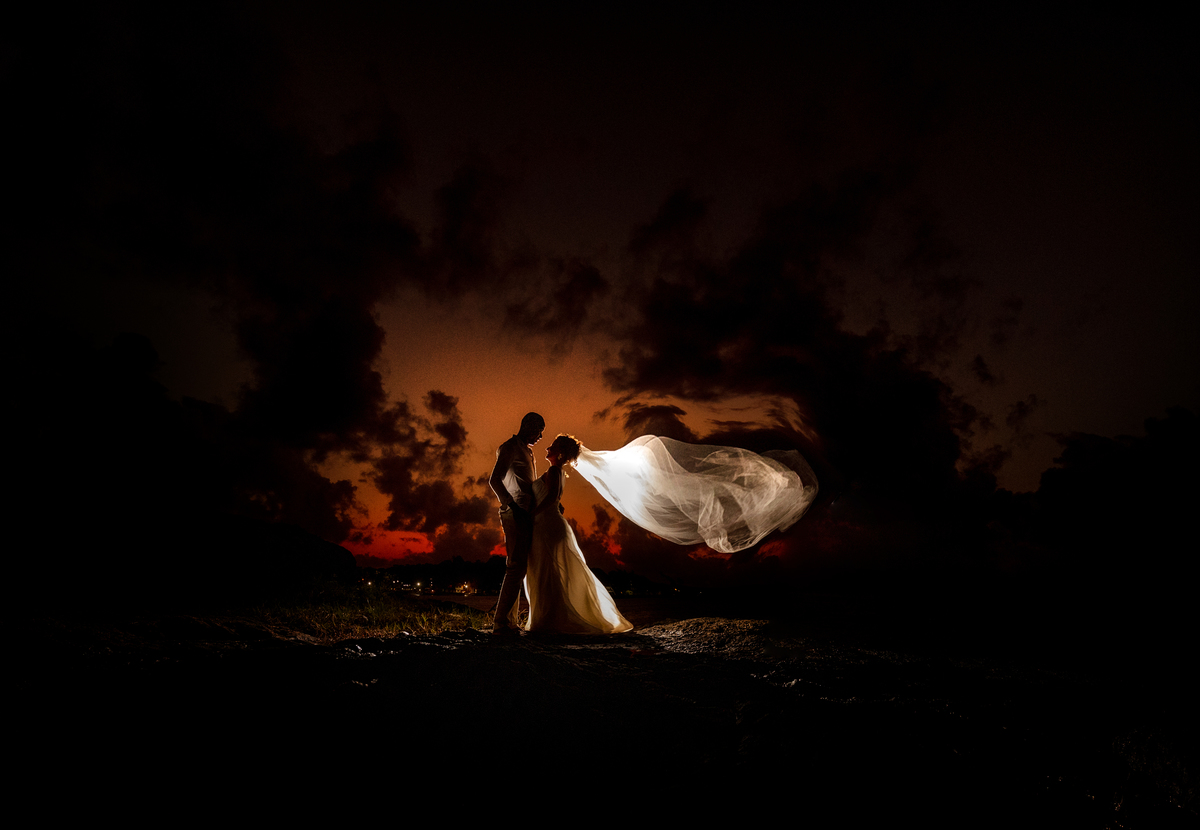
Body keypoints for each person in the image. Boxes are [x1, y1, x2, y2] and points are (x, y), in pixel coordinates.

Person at [524, 434, 633, 634]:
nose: (548, 447)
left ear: (560, 453)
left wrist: (531, 515)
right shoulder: (555, 472)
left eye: (553, 446)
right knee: (547, 570)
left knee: (549, 570)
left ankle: (552, 619)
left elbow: (551, 498)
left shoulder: (554, 471)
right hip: (545, 524)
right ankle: (549, 617)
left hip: (548, 525)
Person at [489, 412, 545, 634]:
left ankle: (508, 622)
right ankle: (501, 623)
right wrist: (512, 507)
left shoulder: (529, 452)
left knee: (519, 568)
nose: (540, 436)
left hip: (526, 513)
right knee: (515, 568)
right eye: (539, 430)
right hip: (515, 513)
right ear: (529, 427)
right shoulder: (509, 447)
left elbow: (530, 485)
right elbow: (494, 480)